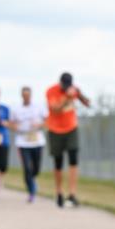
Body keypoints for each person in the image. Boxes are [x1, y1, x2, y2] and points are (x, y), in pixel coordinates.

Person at [45, 72, 90, 208]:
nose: (66, 88)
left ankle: (72, 194)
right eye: (64, 86)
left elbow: (87, 103)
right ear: (60, 83)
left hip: (71, 128)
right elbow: (56, 109)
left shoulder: (73, 90)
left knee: (73, 158)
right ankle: (59, 192)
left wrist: (80, 94)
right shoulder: (51, 91)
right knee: (58, 162)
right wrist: (66, 97)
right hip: (55, 130)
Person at [9, 86, 47, 203]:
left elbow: (47, 120)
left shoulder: (39, 107)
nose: (26, 97)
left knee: (36, 168)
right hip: (23, 142)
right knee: (27, 167)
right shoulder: (16, 108)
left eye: (28, 95)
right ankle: (31, 191)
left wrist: (39, 125)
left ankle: (33, 179)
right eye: (24, 95)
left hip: (37, 141)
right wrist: (17, 127)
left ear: (31, 95)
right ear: (22, 96)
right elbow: (11, 123)